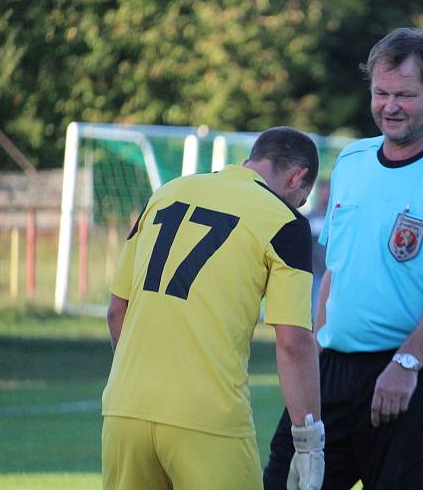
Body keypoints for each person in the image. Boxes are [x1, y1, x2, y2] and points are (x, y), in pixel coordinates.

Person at [264, 27, 423, 489]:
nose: (390, 106)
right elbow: (334, 270)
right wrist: (319, 348)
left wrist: (406, 365)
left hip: (415, 372)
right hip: (333, 370)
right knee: (284, 481)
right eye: (381, 92)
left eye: (405, 94)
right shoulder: (351, 161)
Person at [102, 127, 325, 490]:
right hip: (208, 415)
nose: (298, 206)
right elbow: (293, 342)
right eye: (301, 198)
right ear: (298, 177)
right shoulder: (285, 221)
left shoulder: (166, 192)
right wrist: (308, 440)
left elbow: (117, 310)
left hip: (124, 409)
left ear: (249, 162)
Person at [307, 178, 330, 320]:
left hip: (334, 273)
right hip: (317, 274)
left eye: (328, 189)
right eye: (322, 190)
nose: (325, 193)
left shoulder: (337, 216)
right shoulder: (311, 217)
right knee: (317, 310)